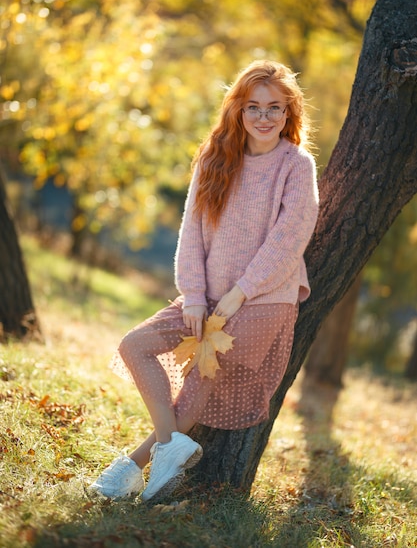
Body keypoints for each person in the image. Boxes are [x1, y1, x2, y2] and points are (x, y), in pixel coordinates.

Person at [90, 59, 319, 503]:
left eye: (275, 108)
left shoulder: (297, 166)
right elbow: (191, 231)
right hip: (207, 295)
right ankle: (164, 450)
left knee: (201, 376)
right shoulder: (215, 157)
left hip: (263, 300)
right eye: (253, 107)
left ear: (290, 112)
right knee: (134, 345)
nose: (264, 117)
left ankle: (132, 468)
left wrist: (238, 294)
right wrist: (194, 297)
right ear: (237, 109)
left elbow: (288, 241)